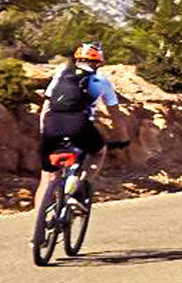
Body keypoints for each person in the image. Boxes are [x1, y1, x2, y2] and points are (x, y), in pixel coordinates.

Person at [37, 41, 120, 201]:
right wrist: (121, 137)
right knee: (99, 152)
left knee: (47, 178)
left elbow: (47, 105)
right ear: (99, 62)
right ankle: (80, 186)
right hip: (79, 126)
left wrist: (43, 130)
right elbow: (114, 111)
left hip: (51, 124)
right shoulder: (100, 80)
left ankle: (40, 220)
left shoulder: (61, 73)